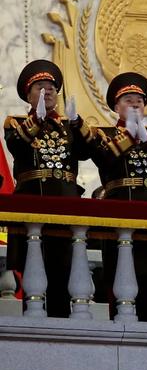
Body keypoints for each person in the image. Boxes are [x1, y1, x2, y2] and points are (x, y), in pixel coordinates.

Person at [3, 59, 94, 317]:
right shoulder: (16, 122)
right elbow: (16, 145)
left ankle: (61, 321)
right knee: (33, 266)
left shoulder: (68, 126)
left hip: (64, 202)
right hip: (32, 201)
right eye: (40, 87)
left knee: (63, 267)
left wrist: (77, 123)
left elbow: (88, 152)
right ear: (29, 95)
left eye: (52, 87)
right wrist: (37, 120)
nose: (49, 90)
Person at [91, 72, 147, 322]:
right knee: (121, 277)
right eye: (128, 100)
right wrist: (128, 137)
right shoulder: (105, 133)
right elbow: (104, 160)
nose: (135, 105)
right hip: (120, 213)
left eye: (139, 101)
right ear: (116, 106)